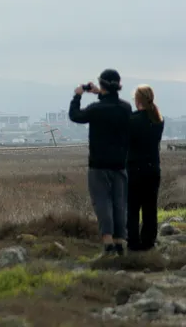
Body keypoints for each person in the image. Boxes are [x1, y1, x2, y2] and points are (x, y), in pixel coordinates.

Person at [69, 68, 132, 256]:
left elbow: (75, 116)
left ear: (101, 84)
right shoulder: (126, 108)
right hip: (120, 163)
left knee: (102, 201)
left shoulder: (96, 109)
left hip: (98, 164)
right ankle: (121, 241)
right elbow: (112, 104)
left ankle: (107, 241)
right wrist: (101, 94)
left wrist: (78, 96)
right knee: (119, 201)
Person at [126, 85, 165, 252]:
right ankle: (149, 242)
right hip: (153, 170)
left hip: (134, 170)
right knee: (150, 208)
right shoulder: (158, 120)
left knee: (132, 208)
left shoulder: (131, 120)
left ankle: (133, 243)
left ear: (137, 100)